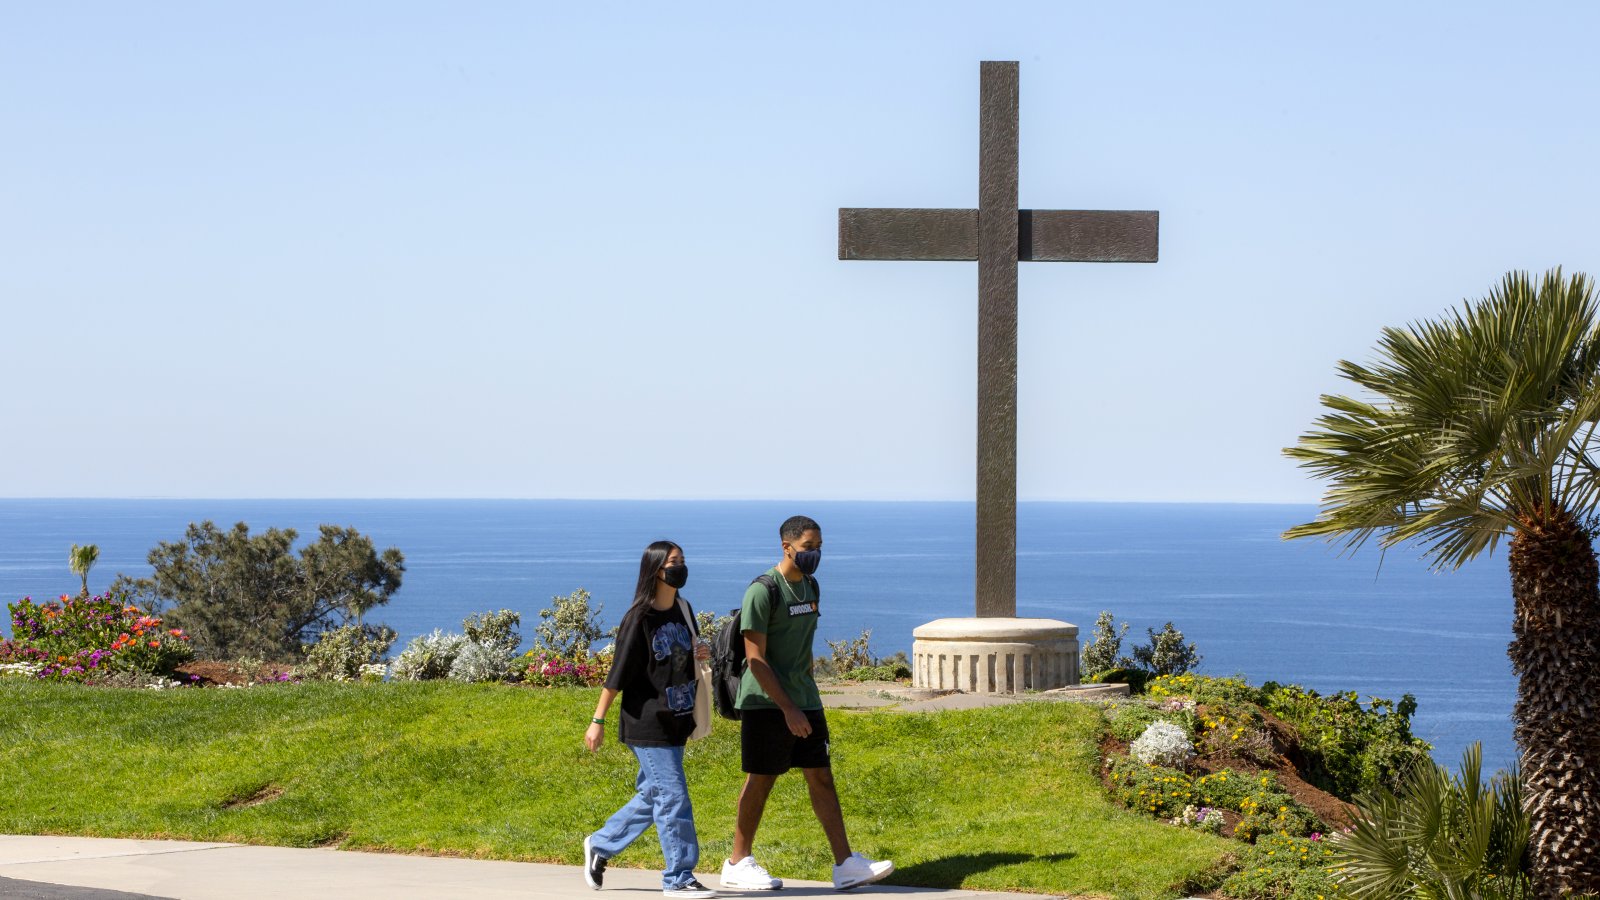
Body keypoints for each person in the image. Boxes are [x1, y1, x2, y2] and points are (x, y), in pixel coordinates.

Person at [720, 515, 894, 893]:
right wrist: (788, 708)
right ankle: (736, 862)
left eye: (819, 548)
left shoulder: (812, 586)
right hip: (766, 702)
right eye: (808, 548)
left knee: (821, 776)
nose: (815, 554)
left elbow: (804, 649)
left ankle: (845, 864)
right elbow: (755, 658)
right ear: (787, 547)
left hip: (804, 698)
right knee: (761, 780)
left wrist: (807, 697)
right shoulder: (763, 590)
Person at [583, 540, 716, 898]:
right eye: (675, 562)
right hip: (647, 721)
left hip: (678, 718)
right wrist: (598, 721)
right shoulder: (638, 618)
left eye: (683, 560)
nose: (681, 567)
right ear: (657, 569)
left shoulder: (684, 609)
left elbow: (679, 660)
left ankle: (600, 844)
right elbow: (617, 674)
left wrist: (700, 650)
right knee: (673, 797)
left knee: (653, 796)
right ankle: (679, 877)